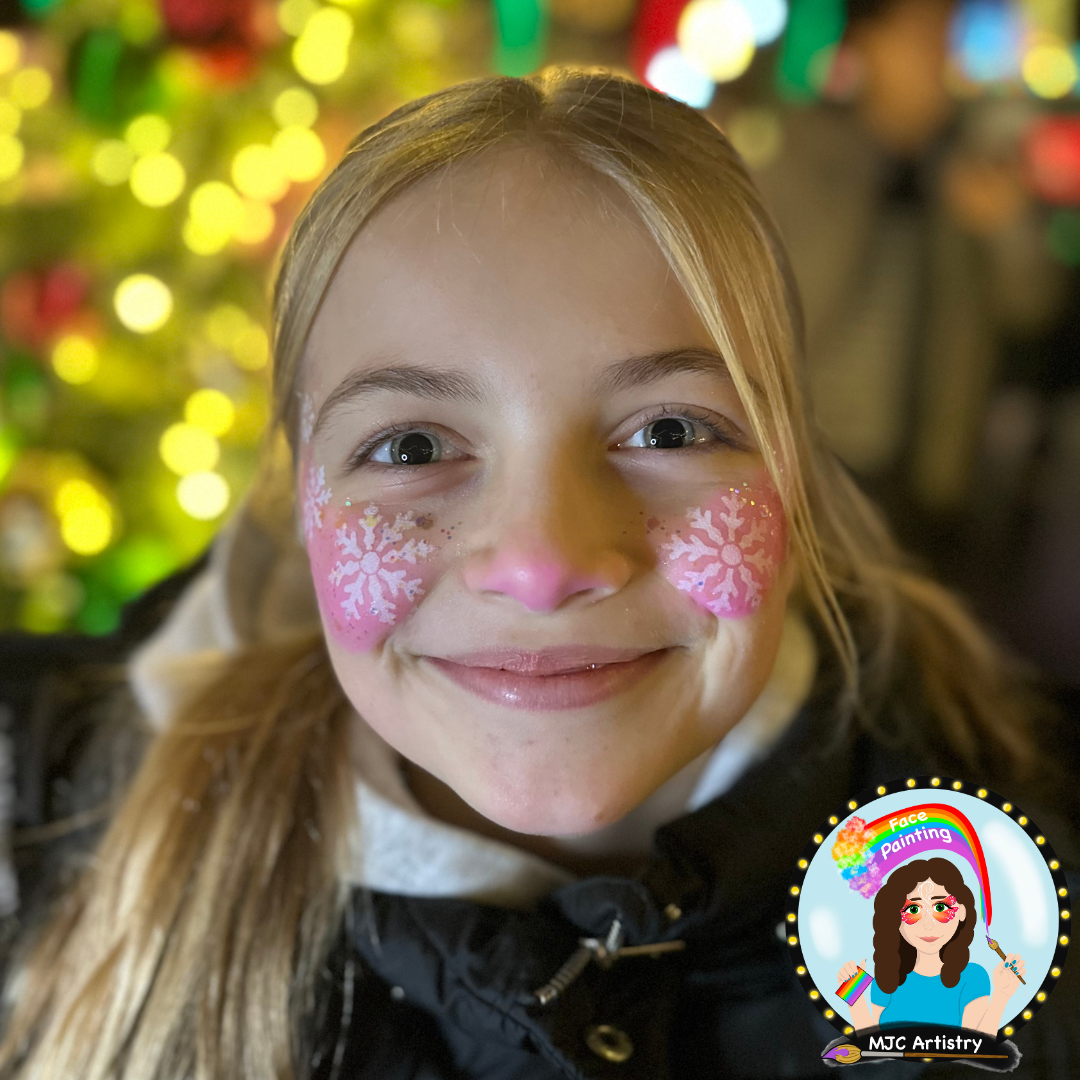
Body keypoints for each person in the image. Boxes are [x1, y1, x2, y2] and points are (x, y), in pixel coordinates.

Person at [0, 66, 1077, 1080]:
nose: (543, 564)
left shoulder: (1035, 847)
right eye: (413, 448)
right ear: (300, 498)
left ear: (793, 475)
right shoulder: (48, 830)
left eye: (667, 429)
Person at [838, 857, 1023, 1034]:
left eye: (940, 908)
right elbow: (875, 1051)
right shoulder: (886, 977)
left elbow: (974, 1047)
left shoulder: (973, 978)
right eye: (913, 910)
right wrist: (854, 995)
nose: (928, 924)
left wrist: (1002, 995)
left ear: (962, 912)